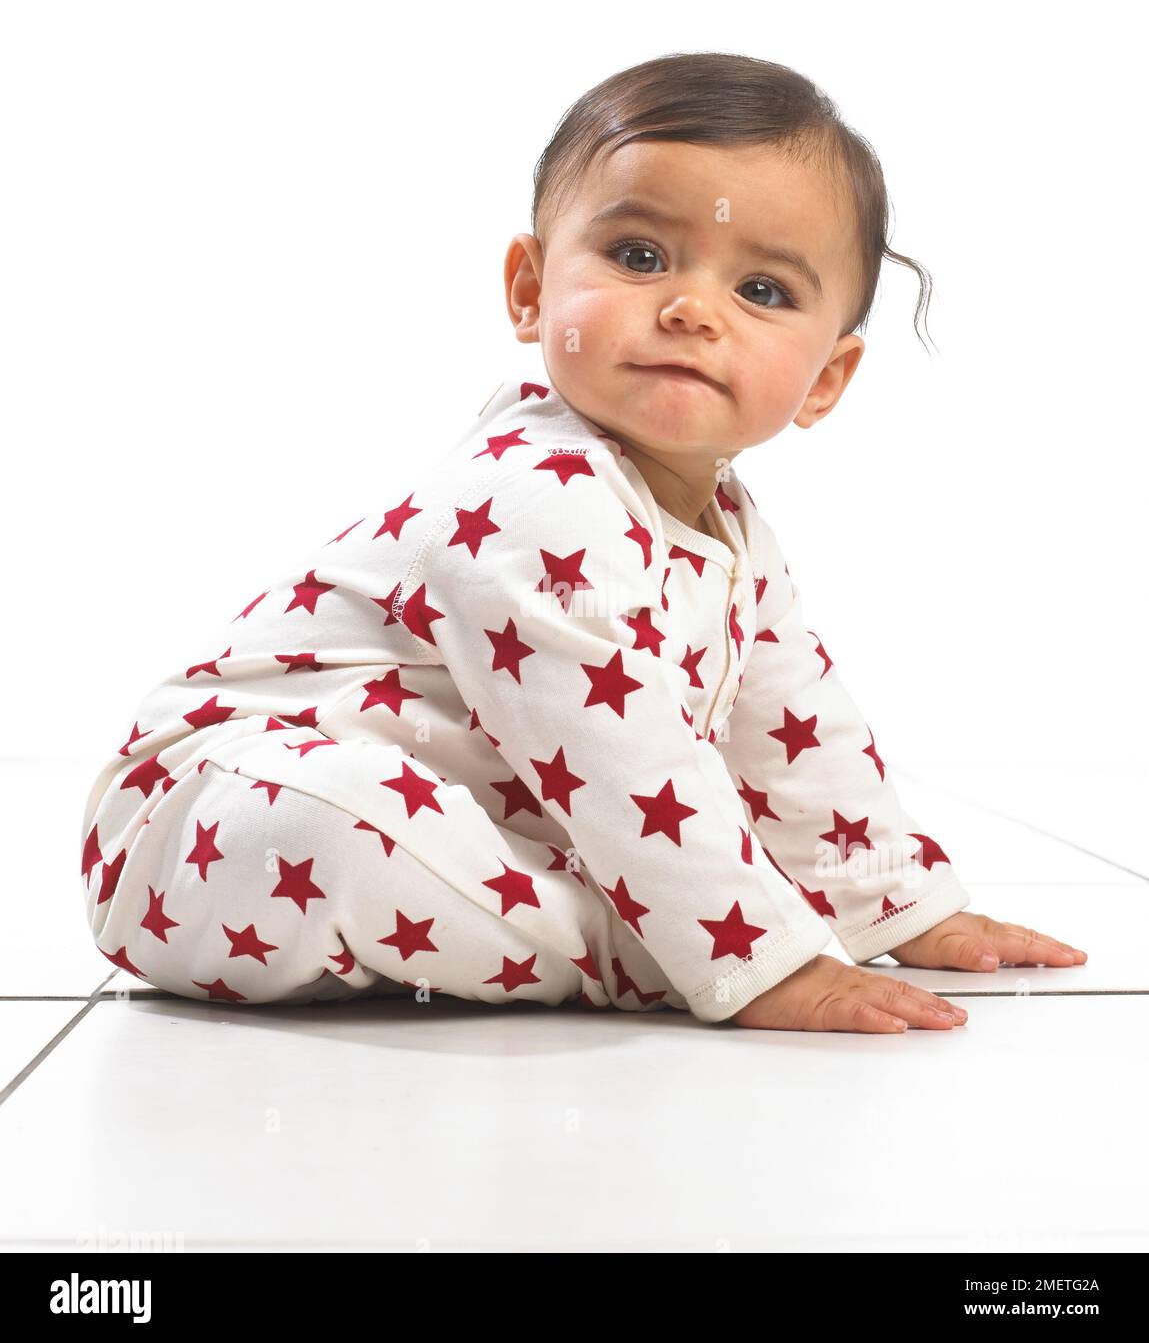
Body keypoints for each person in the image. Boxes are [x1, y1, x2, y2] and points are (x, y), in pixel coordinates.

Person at [79, 51, 1086, 1033]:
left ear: (825, 380)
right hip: (212, 817)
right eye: (639, 257)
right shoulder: (532, 499)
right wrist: (763, 956)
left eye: (764, 292)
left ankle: (680, 935)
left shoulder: (732, 529)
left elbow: (798, 737)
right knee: (342, 815)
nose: (691, 309)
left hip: (399, 835)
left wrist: (896, 902)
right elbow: (623, 758)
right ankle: (648, 956)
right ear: (530, 290)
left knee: (523, 853)